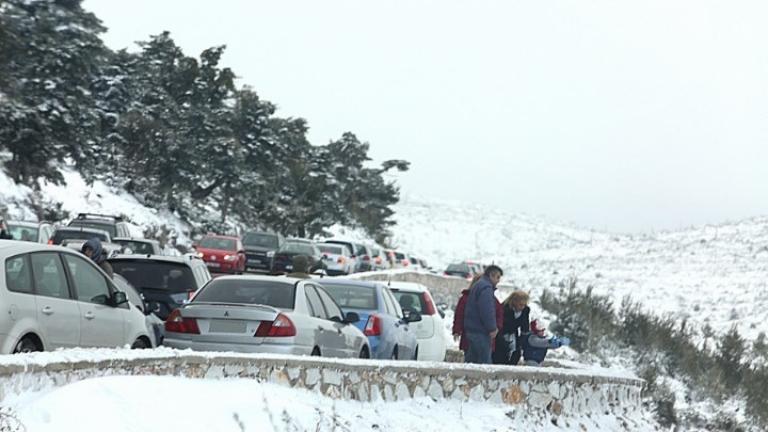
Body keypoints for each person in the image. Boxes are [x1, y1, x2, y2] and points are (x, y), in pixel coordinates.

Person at [462, 265, 504, 364]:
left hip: (472, 330)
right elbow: (487, 310)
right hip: (481, 332)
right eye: (497, 277)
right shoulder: (486, 288)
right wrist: (492, 328)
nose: (498, 281)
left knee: (471, 362)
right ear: (491, 275)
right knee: (484, 364)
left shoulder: (478, 285)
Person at [493, 290, 531, 365]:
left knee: (515, 355)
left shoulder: (525, 311)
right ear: (514, 302)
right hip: (502, 334)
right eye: (520, 305)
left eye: (524, 305)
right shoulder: (504, 309)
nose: (522, 307)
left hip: (514, 335)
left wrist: (522, 340)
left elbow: (525, 327)